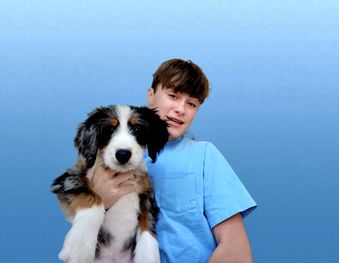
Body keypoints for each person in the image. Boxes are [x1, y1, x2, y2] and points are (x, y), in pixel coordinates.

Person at [91, 58, 257, 263]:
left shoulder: (204, 156)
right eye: (173, 96)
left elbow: (236, 250)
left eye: (192, 104)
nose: (181, 109)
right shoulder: (111, 157)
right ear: (150, 95)